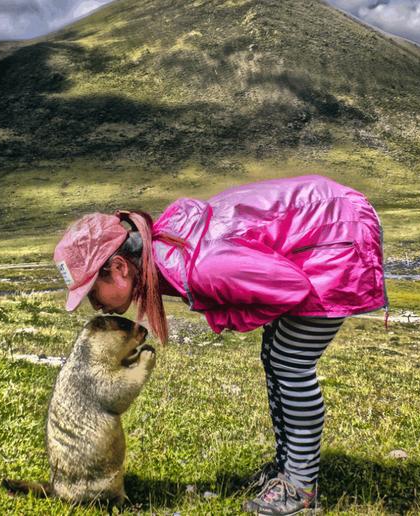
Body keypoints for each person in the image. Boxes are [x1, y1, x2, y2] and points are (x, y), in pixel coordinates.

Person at [53, 174, 388, 515]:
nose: (96, 306)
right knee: (276, 356)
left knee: (291, 363)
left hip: (337, 238)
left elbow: (292, 287)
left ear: (120, 266)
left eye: (93, 291)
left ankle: (300, 489)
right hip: (326, 223)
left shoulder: (201, 267)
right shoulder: (168, 249)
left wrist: (232, 315)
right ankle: (288, 470)